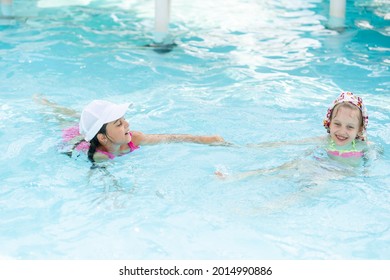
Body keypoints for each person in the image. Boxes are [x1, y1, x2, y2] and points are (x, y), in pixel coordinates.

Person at [216, 91, 370, 180]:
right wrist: (243, 146)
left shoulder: (364, 147)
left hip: (338, 174)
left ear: (359, 130)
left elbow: (370, 166)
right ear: (328, 123)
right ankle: (236, 176)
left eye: (350, 127)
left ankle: (274, 206)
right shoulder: (325, 140)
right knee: (286, 166)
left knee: (315, 184)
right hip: (318, 165)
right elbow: (287, 143)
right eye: (337, 124)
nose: (342, 131)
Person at [35, 96, 226, 162]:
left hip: (93, 132)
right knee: (62, 121)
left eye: (123, 119)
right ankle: (46, 106)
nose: (127, 124)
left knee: (75, 117)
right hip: (75, 138)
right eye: (118, 124)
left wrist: (206, 140)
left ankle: (51, 105)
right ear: (103, 138)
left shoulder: (135, 138)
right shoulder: (98, 156)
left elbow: (171, 137)